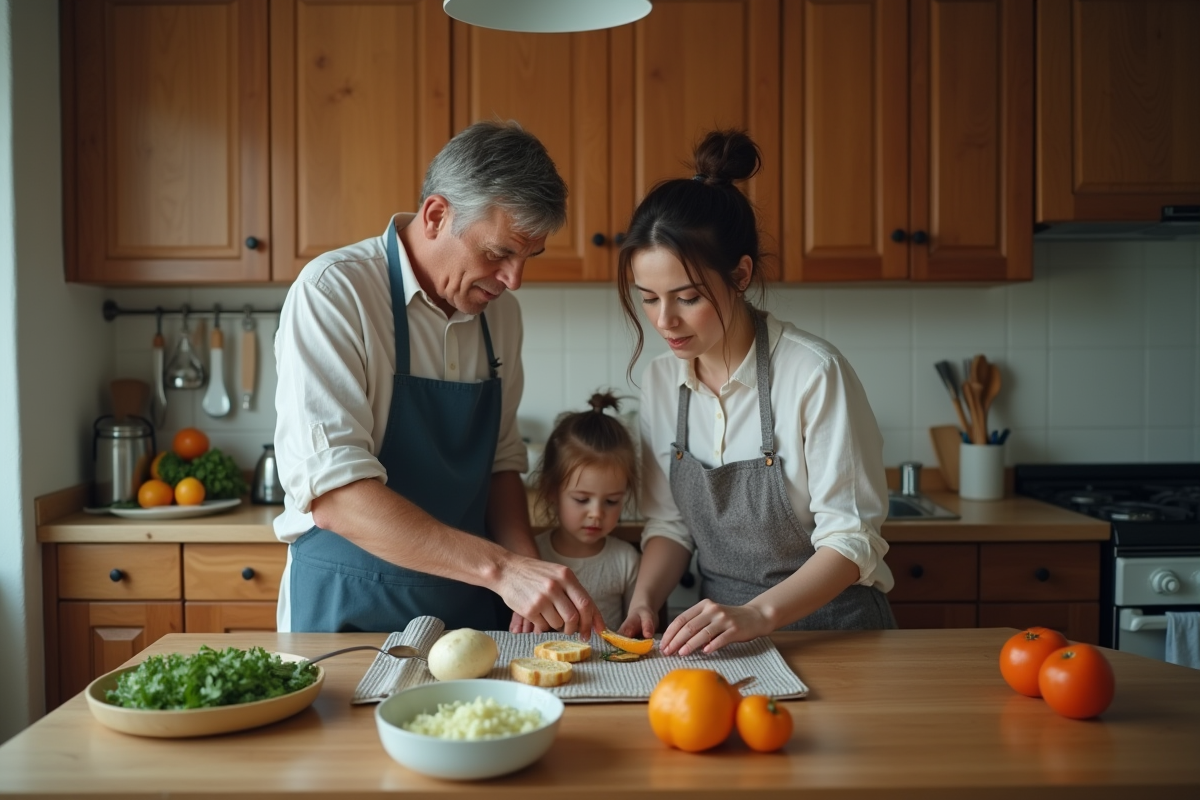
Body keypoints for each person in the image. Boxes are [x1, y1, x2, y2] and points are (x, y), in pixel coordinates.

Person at [272, 120, 604, 637]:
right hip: (349, 606)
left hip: (468, 612)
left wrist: (531, 583)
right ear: (436, 215)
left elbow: (500, 464)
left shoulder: (501, 315)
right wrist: (505, 570)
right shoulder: (335, 293)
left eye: (527, 258)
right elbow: (336, 496)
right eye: (498, 253)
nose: (514, 280)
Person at [615, 129, 896, 656]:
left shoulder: (813, 373)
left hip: (837, 635)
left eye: (688, 297)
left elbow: (852, 540)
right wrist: (645, 598)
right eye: (648, 298)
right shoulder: (661, 379)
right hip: (724, 645)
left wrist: (759, 613)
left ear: (740, 274)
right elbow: (670, 524)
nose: (664, 321)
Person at [528, 391, 641, 629]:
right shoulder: (532, 556)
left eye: (611, 501)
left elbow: (636, 630)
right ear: (551, 491)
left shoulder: (626, 561)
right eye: (581, 499)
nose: (597, 513)